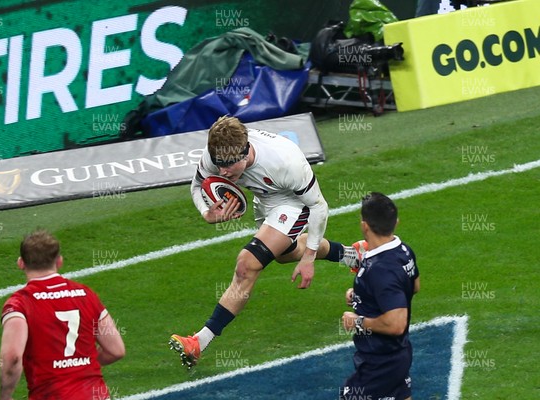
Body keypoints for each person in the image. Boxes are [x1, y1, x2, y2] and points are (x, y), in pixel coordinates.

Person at [169, 115, 362, 368]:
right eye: (218, 165)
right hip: (264, 200)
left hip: (292, 203)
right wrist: (207, 213)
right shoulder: (217, 154)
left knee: (246, 264)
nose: (222, 173)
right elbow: (197, 185)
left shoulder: (285, 161)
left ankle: (198, 342)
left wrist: (309, 258)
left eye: (228, 166)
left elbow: (319, 206)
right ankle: (354, 255)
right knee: (285, 253)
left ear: (245, 152)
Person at [0, 230, 125, 400]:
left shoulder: (20, 303)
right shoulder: (86, 294)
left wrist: (5, 396)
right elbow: (116, 350)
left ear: (21, 263)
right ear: (59, 261)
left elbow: (12, 357)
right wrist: (79, 366)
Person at [341, 192, 420, 400]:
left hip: (380, 361)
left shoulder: (380, 269)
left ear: (365, 226)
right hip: (398, 354)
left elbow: (396, 324)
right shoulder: (404, 251)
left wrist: (357, 321)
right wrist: (363, 296)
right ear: (396, 222)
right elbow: (414, 285)